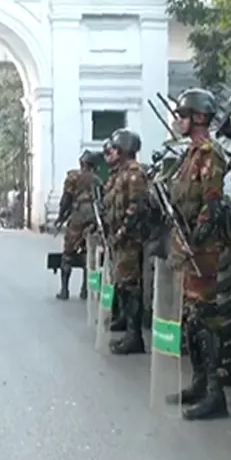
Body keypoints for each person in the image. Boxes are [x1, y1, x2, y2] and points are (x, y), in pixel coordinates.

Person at [165, 88, 231, 420]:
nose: (179, 121)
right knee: (191, 319)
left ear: (200, 118)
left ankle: (216, 394)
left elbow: (213, 204)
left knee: (205, 319)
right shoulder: (188, 156)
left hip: (201, 250)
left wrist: (197, 238)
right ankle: (198, 382)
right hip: (188, 246)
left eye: (183, 115)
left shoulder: (209, 155)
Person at [101, 129, 150, 354]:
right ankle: (128, 327)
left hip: (130, 239)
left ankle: (134, 336)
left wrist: (122, 232)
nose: (112, 152)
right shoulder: (120, 174)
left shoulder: (134, 174)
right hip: (119, 238)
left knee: (130, 286)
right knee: (122, 284)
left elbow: (136, 206)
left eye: (115, 148)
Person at [53, 150, 102, 301]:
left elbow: (66, 198)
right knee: (89, 253)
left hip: (78, 217)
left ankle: (64, 290)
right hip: (93, 218)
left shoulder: (73, 177)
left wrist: (61, 216)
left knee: (68, 253)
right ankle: (85, 290)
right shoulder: (97, 180)